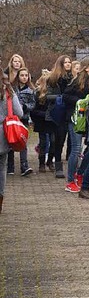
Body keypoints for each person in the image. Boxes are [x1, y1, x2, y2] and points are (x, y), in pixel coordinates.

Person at [63, 58, 89, 197]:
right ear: (86, 68)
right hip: (76, 118)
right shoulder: (78, 81)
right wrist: (80, 102)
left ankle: (80, 174)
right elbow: (65, 96)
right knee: (76, 149)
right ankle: (70, 181)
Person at [46, 55, 73, 179]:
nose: (68, 64)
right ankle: (58, 167)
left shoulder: (73, 78)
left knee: (72, 142)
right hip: (58, 112)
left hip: (71, 112)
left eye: (69, 62)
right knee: (58, 141)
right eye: (65, 62)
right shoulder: (53, 78)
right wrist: (61, 97)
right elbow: (46, 96)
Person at [0, 72, 24, 214]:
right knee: (2, 168)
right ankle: (0, 199)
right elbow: (19, 113)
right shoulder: (8, 92)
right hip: (3, 135)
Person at [9, 68, 35, 176]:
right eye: (22, 75)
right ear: (18, 77)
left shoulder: (31, 90)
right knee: (10, 141)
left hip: (24, 118)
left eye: (26, 75)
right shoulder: (13, 89)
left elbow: (33, 105)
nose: (24, 77)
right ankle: (10, 167)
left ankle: (24, 165)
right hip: (12, 118)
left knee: (23, 142)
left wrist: (25, 107)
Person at [32, 70, 55, 173]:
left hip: (52, 121)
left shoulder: (55, 92)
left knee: (54, 142)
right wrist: (44, 115)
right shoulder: (37, 93)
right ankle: (41, 163)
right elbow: (33, 110)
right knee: (43, 143)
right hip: (42, 121)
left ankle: (50, 161)